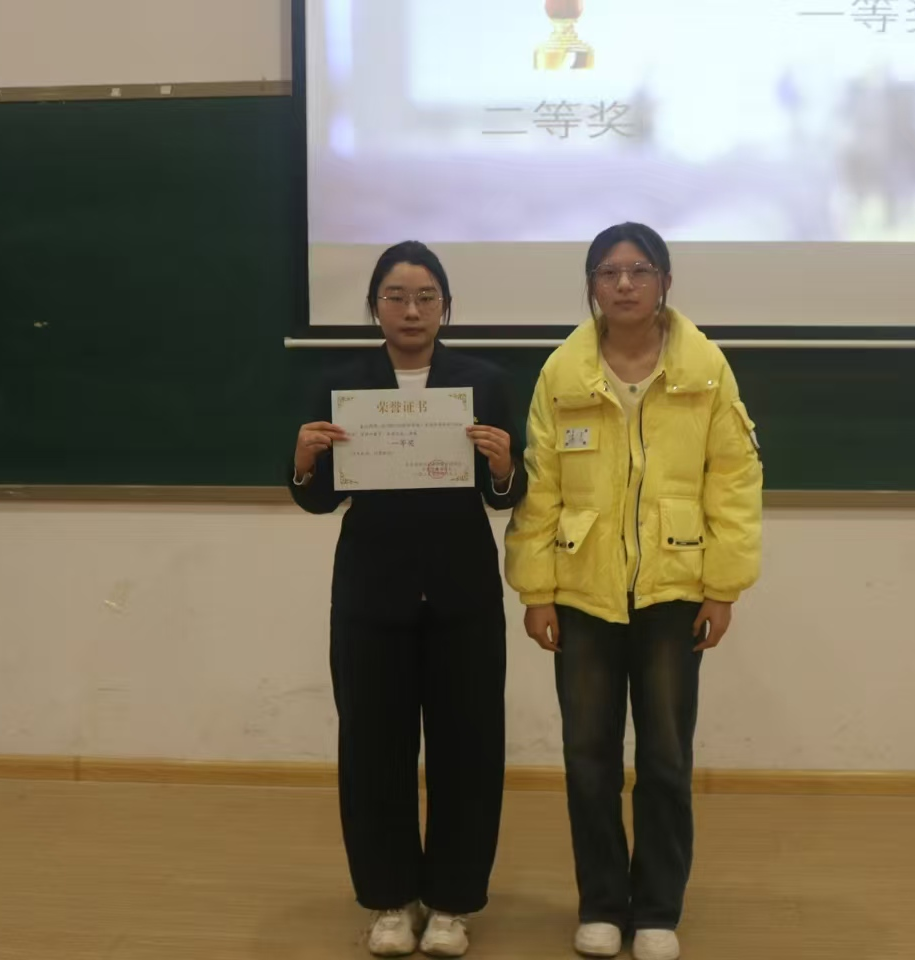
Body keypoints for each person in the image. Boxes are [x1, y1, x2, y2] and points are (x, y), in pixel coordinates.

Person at [505, 223, 762, 960]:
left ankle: (656, 910)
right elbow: (541, 487)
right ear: (591, 285)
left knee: (666, 759)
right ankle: (600, 904)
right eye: (608, 272)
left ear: (665, 283)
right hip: (581, 593)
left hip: (674, 591)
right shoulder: (562, 372)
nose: (624, 284)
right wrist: (536, 590)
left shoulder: (705, 368)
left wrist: (723, 587)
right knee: (588, 758)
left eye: (639, 270)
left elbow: (734, 480)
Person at [289, 241, 526, 958]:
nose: (412, 310)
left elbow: (507, 495)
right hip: (372, 593)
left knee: (469, 748)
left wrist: (505, 467)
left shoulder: (484, 383)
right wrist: (303, 462)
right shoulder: (341, 386)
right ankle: (389, 901)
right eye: (396, 296)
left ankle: (453, 903)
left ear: (446, 306)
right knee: (372, 749)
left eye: (426, 297)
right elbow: (319, 498)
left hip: (463, 594)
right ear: (374, 307)